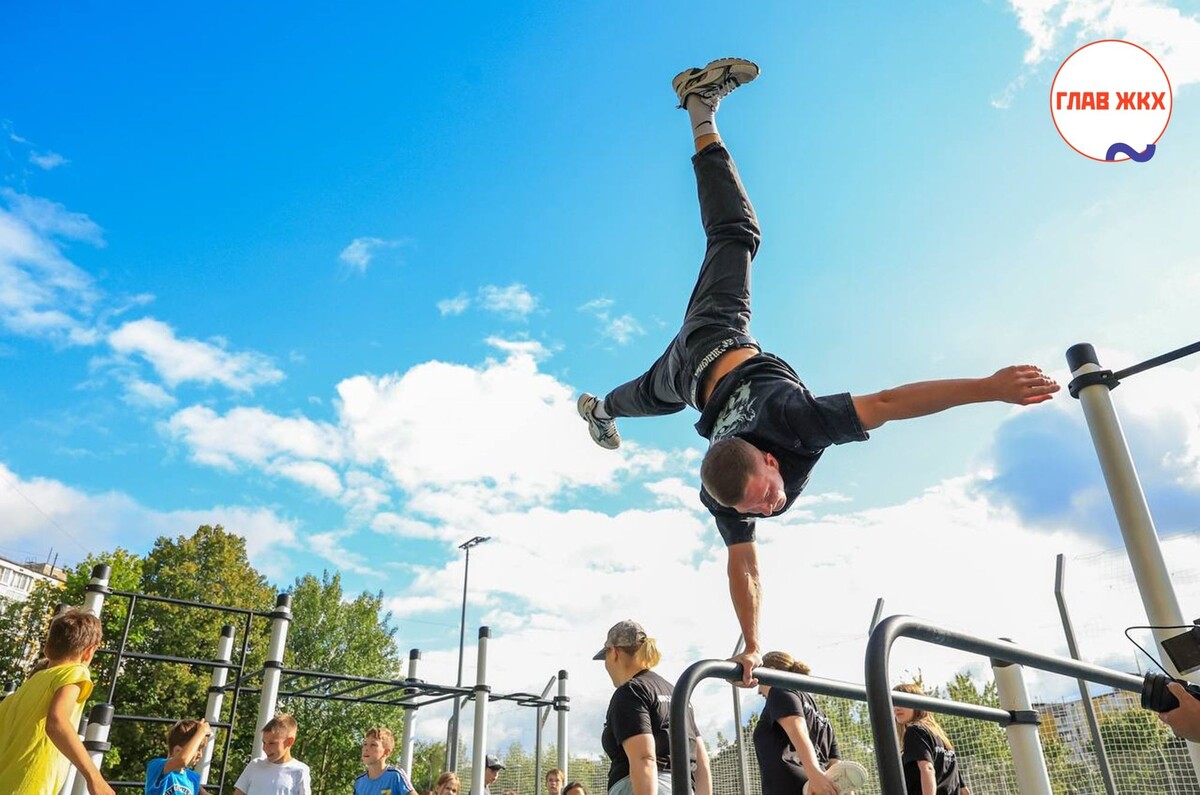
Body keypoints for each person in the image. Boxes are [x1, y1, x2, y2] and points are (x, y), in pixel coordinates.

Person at [575, 57, 1061, 685]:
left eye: (767, 497)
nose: (772, 507)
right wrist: (752, 645)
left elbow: (887, 402)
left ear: (770, 460)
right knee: (645, 396)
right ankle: (600, 411)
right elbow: (743, 563)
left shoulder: (795, 421)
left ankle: (700, 110)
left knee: (738, 232)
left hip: (716, 333)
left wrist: (988, 388)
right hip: (691, 379)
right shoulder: (722, 490)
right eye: (762, 505)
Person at [0, 607, 115, 795]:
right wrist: (95, 778)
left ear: (47, 647)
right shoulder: (75, 672)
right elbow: (57, 721)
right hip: (29, 786)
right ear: (89, 652)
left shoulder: (23, 691)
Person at [596, 620, 712, 795]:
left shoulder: (631, 691)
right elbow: (702, 762)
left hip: (640, 787)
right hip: (685, 788)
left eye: (605, 657)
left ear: (614, 653)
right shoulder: (677, 693)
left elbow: (644, 758)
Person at [752, 652, 867, 795]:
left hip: (793, 785)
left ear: (771, 671)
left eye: (759, 679)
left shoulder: (780, 690)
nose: (758, 690)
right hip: (817, 786)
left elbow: (798, 730)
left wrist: (815, 774)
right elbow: (835, 765)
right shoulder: (822, 715)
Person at [892, 684, 969, 795]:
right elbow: (962, 787)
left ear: (916, 703)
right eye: (894, 703)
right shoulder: (941, 738)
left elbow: (927, 769)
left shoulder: (914, 731)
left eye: (902, 702)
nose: (896, 708)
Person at [234, 713, 311, 795]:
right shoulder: (255, 765)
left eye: (272, 743)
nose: (265, 748)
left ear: (289, 741)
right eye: (264, 742)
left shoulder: (300, 771)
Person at [144, 718, 214, 795]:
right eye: (197, 749)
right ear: (177, 751)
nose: (200, 755)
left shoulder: (192, 778)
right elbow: (183, 759)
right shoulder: (157, 766)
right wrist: (201, 731)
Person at [354, 726, 414, 795]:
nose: (366, 748)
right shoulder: (359, 781)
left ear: (386, 752)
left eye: (373, 745)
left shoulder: (395, 775)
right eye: (365, 744)